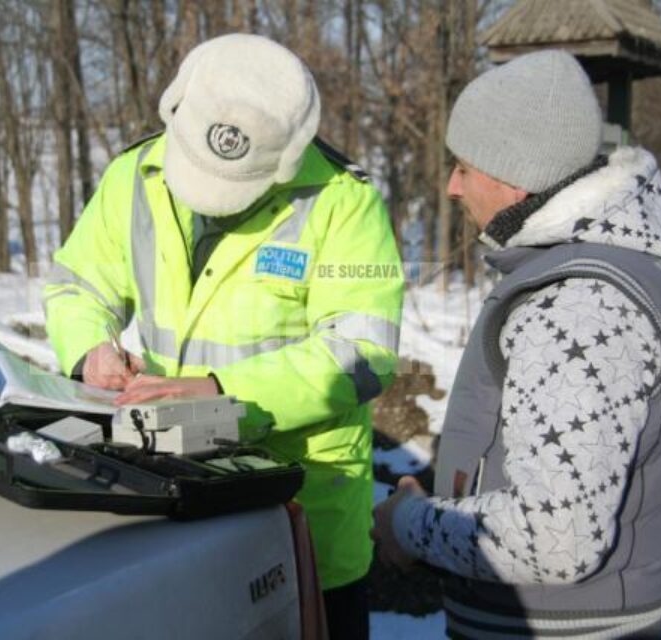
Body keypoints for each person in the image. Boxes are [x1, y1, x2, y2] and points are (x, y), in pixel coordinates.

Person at [45, 34, 403, 638]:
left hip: (301, 520)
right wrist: (89, 349)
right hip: (172, 495)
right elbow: (78, 285)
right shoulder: (133, 176)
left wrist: (219, 390)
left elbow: (362, 352)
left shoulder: (344, 203)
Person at [372, 49, 661, 639]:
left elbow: (554, 538)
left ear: (515, 175)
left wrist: (410, 524)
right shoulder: (613, 273)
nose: (451, 186)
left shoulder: (582, 304)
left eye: (464, 166)